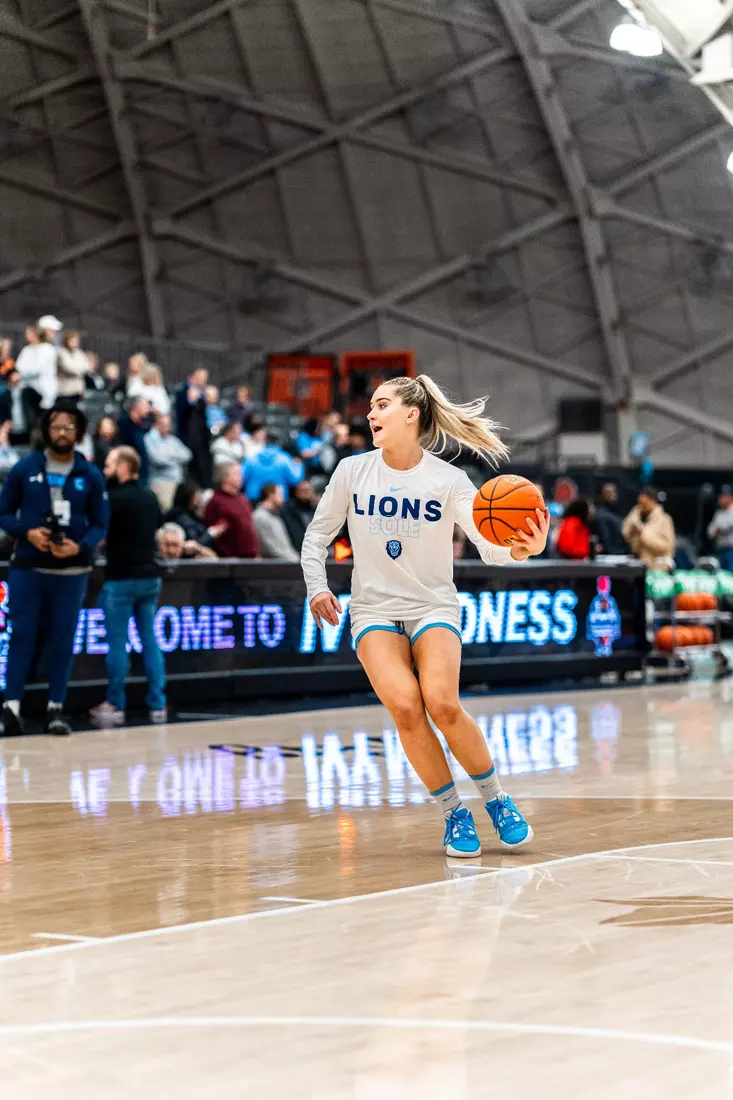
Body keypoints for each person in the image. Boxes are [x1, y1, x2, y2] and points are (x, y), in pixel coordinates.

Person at [301, 374, 548, 858]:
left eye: (382, 405)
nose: (371, 414)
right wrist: (317, 587)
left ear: (411, 414)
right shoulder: (352, 471)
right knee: (406, 707)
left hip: (433, 605)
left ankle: (496, 800)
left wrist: (524, 549)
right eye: (371, 407)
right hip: (373, 609)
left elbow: (488, 547)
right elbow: (316, 537)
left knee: (443, 703)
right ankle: (454, 812)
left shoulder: (449, 480)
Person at [0, 401, 109, 737]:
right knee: (21, 636)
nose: (62, 433)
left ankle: (55, 709)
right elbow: (4, 513)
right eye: (57, 426)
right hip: (28, 568)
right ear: (47, 430)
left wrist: (81, 545)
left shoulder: (90, 474)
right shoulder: (25, 467)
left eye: (69, 427)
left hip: (71, 573)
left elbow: (101, 524)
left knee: (63, 640)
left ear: (79, 433)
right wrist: (26, 532)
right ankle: (11, 708)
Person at [90, 446, 167, 727]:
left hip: (121, 578)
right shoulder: (150, 496)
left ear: (124, 466)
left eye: (110, 464)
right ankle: (158, 703)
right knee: (150, 640)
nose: (105, 470)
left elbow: (99, 534)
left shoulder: (111, 499)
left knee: (117, 643)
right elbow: (156, 529)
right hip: (150, 577)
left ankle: (115, 703)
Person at [204, 461, 259, 558]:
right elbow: (211, 530)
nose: (241, 477)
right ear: (225, 477)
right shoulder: (216, 501)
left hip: (251, 556)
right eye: (237, 474)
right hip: (230, 559)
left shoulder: (243, 498)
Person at [145, 412, 192, 510]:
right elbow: (158, 460)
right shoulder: (150, 439)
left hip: (178, 482)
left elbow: (187, 455)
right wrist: (176, 459)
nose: (167, 428)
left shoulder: (172, 440)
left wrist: (170, 455)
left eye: (168, 425)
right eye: (164, 425)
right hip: (161, 483)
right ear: (156, 425)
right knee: (166, 511)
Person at [175, 367, 212, 487]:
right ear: (193, 378)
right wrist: (190, 401)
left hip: (200, 438)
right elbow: (180, 413)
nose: (204, 382)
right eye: (201, 379)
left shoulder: (201, 394)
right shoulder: (184, 391)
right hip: (187, 436)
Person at [242, 431, 303, 502]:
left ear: (264, 441)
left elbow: (242, 479)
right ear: (279, 443)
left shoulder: (252, 458)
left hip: (253, 499)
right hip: (277, 499)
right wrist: (298, 466)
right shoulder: (284, 458)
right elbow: (295, 480)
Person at [622, 487, 676, 568]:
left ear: (653, 501)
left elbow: (667, 546)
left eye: (645, 503)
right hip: (637, 561)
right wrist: (632, 531)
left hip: (658, 562)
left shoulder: (664, 519)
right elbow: (625, 534)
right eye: (640, 503)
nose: (642, 506)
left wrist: (643, 536)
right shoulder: (634, 515)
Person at [164, 479, 225, 549]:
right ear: (187, 498)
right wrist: (211, 533)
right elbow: (194, 543)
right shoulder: (182, 518)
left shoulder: (192, 514)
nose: (198, 502)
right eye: (195, 498)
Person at [15, 324, 58, 410]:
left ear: (36, 334)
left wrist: (24, 372)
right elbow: (19, 366)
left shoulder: (47, 349)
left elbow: (38, 368)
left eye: (29, 333)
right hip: (27, 389)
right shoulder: (26, 349)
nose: (26, 336)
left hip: (43, 391)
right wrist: (25, 371)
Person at [254, 482, 299, 561]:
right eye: (280, 494)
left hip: (287, 562)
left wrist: (296, 558)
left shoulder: (276, 517)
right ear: (271, 495)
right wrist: (293, 559)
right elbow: (269, 547)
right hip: (275, 565)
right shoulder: (259, 517)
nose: (283, 498)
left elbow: (285, 545)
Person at [0, 366, 40, 444]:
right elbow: (3, 410)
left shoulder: (26, 390)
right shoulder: (6, 394)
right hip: (13, 428)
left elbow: (39, 399)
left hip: (27, 426)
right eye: (13, 375)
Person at [117, 396, 152, 483]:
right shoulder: (123, 423)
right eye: (145, 406)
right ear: (136, 406)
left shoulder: (142, 425)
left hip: (143, 471)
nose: (148, 409)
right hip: (130, 472)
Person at [281, 479, 317, 553]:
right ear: (296, 492)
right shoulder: (288, 510)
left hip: (315, 548)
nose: (306, 493)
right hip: (298, 550)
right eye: (303, 490)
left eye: (308, 490)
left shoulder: (316, 509)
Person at [594, 482, 627, 556]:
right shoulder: (601, 514)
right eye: (609, 492)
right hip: (612, 555)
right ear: (602, 495)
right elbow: (606, 540)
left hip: (621, 553)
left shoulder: (616, 512)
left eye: (614, 491)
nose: (613, 494)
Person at [56, 330, 90, 400]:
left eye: (76, 341)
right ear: (66, 341)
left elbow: (87, 367)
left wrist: (78, 369)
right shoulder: (61, 353)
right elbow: (69, 368)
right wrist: (81, 370)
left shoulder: (80, 353)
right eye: (72, 341)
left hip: (79, 390)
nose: (74, 344)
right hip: (66, 391)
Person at [707, 486, 733, 571]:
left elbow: (723, 528)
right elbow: (710, 532)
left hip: (731, 550)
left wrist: (718, 530)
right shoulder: (719, 513)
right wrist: (717, 531)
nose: (720, 499)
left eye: (723, 497)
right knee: (722, 574)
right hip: (721, 550)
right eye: (720, 497)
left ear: (730, 497)